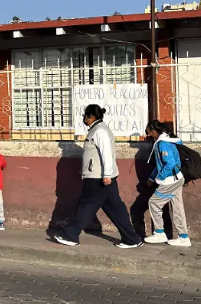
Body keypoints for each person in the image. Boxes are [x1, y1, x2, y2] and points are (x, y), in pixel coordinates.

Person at [55, 105, 144, 249]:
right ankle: (132, 239)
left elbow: (106, 154)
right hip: (100, 176)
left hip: (99, 178)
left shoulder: (100, 131)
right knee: (116, 209)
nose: (84, 119)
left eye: (85, 116)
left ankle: (70, 235)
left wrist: (106, 174)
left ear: (91, 117)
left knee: (86, 206)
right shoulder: (97, 130)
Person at [144, 120, 192, 247]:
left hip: (170, 179)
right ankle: (183, 237)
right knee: (177, 207)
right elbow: (160, 164)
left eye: (149, 133)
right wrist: (152, 177)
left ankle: (159, 232)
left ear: (154, 132)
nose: (149, 136)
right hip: (178, 178)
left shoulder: (162, 144)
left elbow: (168, 163)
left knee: (154, 202)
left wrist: (159, 178)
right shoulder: (169, 140)